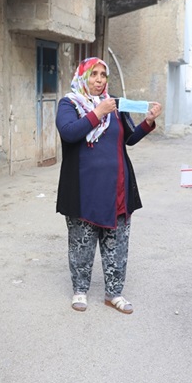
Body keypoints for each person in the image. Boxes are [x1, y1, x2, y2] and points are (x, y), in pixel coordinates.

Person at [55, 57, 162, 314]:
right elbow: (69, 132)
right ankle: (80, 289)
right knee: (82, 241)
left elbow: (130, 138)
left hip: (117, 187)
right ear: (83, 77)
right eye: (93, 74)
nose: (99, 79)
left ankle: (114, 293)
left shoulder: (115, 104)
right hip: (83, 188)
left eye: (103, 74)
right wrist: (98, 112)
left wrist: (148, 121)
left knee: (117, 242)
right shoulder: (70, 103)